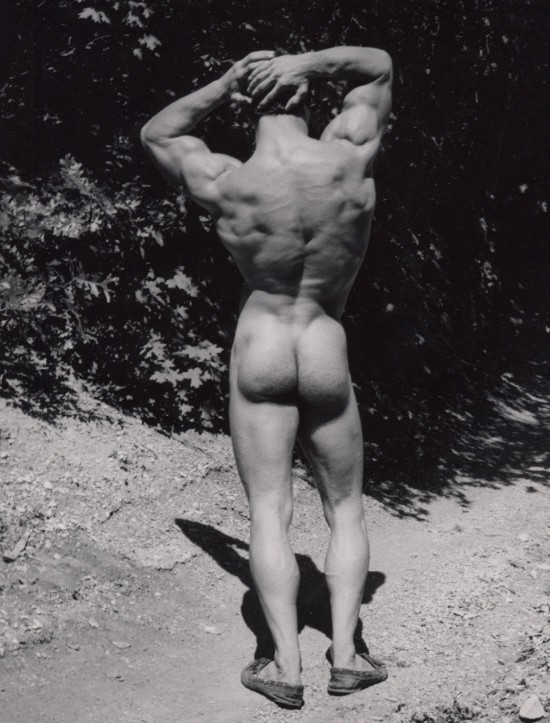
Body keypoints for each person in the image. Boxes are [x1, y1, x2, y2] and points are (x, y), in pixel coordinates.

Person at [141, 45, 393, 709]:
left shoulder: (228, 178)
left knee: (267, 510)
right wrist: (311, 62)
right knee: (345, 507)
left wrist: (225, 80)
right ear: (306, 94)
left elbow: (158, 133)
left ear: (247, 104)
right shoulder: (348, 155)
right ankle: (348, 655)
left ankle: (284, 665)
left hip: (262, 343)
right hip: (324, 339)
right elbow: (377, 66)